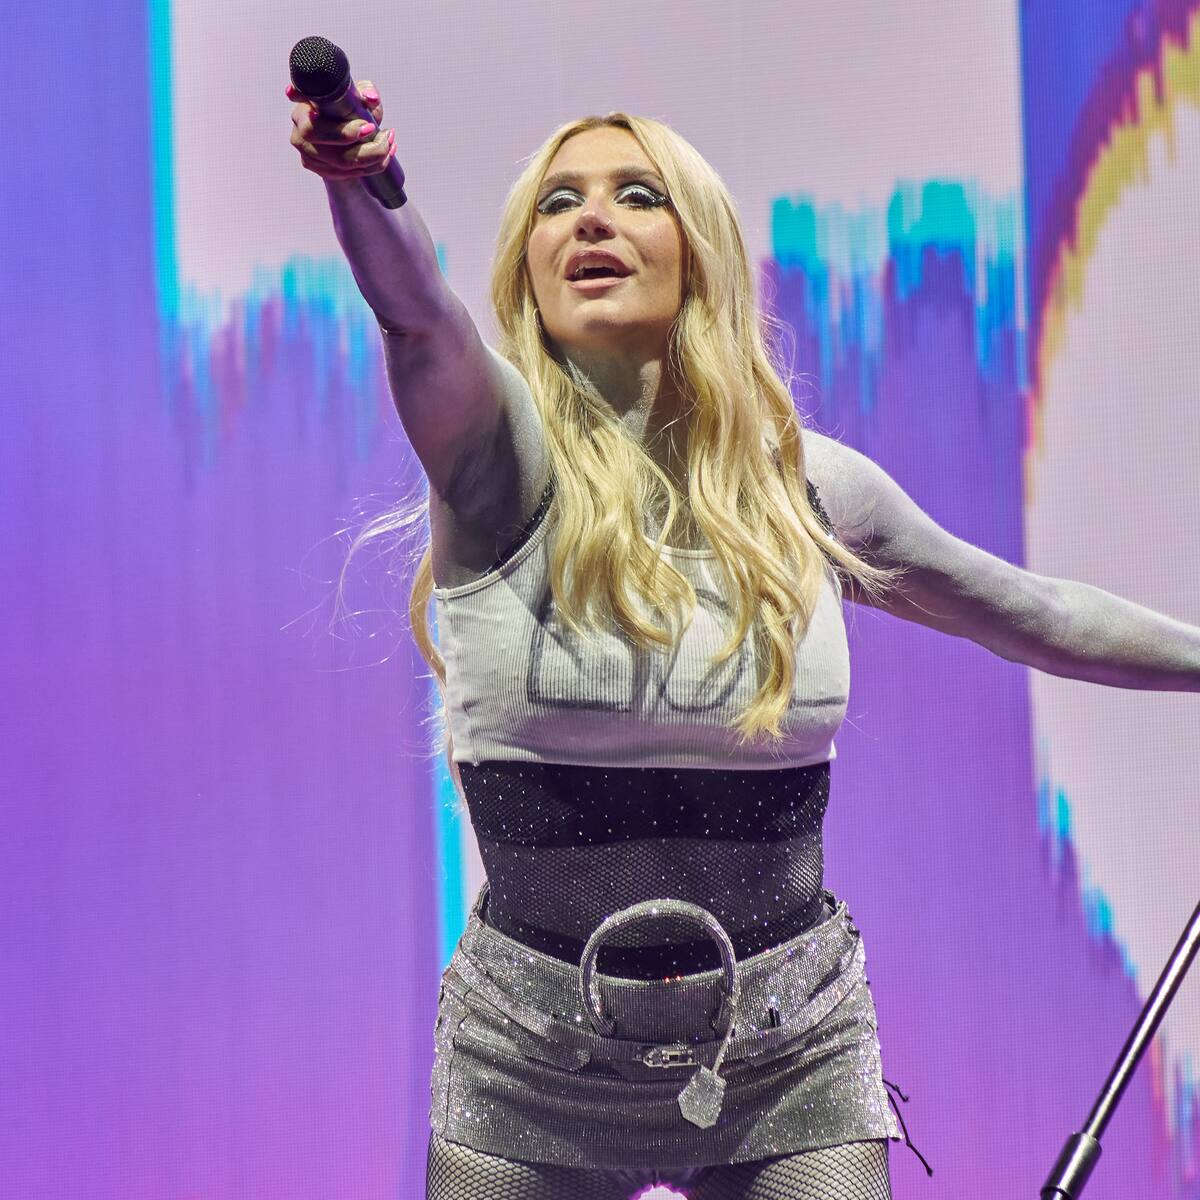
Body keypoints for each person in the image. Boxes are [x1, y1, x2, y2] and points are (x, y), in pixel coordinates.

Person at [287, 80, 1200, 1200]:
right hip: (528, 1059)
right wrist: (360, 184)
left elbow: (1040, 616)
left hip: (788, 1048)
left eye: (638, 195)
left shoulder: (808, 491)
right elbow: (417, 314)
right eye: (558, 203)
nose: (591, 218)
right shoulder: (494, 462)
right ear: (526, 266)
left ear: (702, 253)